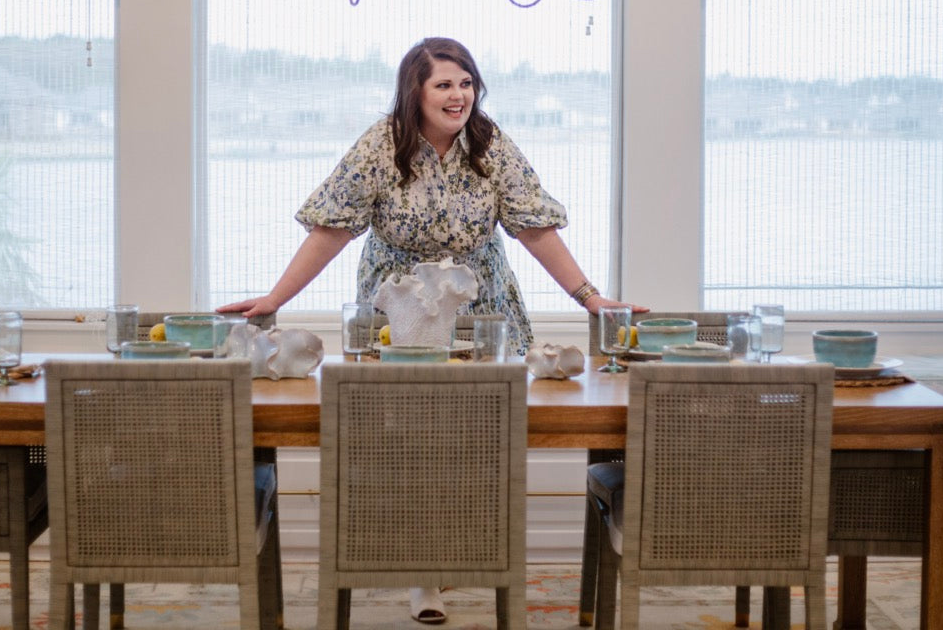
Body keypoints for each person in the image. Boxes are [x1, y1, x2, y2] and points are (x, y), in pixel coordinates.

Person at [218, 35, 641, 623]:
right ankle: (422, 575)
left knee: (476, 444)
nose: (458, 94)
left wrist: (591, 298)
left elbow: (535, 229)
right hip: (401, 315)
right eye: (444, 83)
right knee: (408, 445)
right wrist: (274, 298)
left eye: (466, 82)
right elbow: (331, 231)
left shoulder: (489, 144)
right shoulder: (381, 144)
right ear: (414, 92)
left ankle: (470, 558)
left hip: (481, 311)